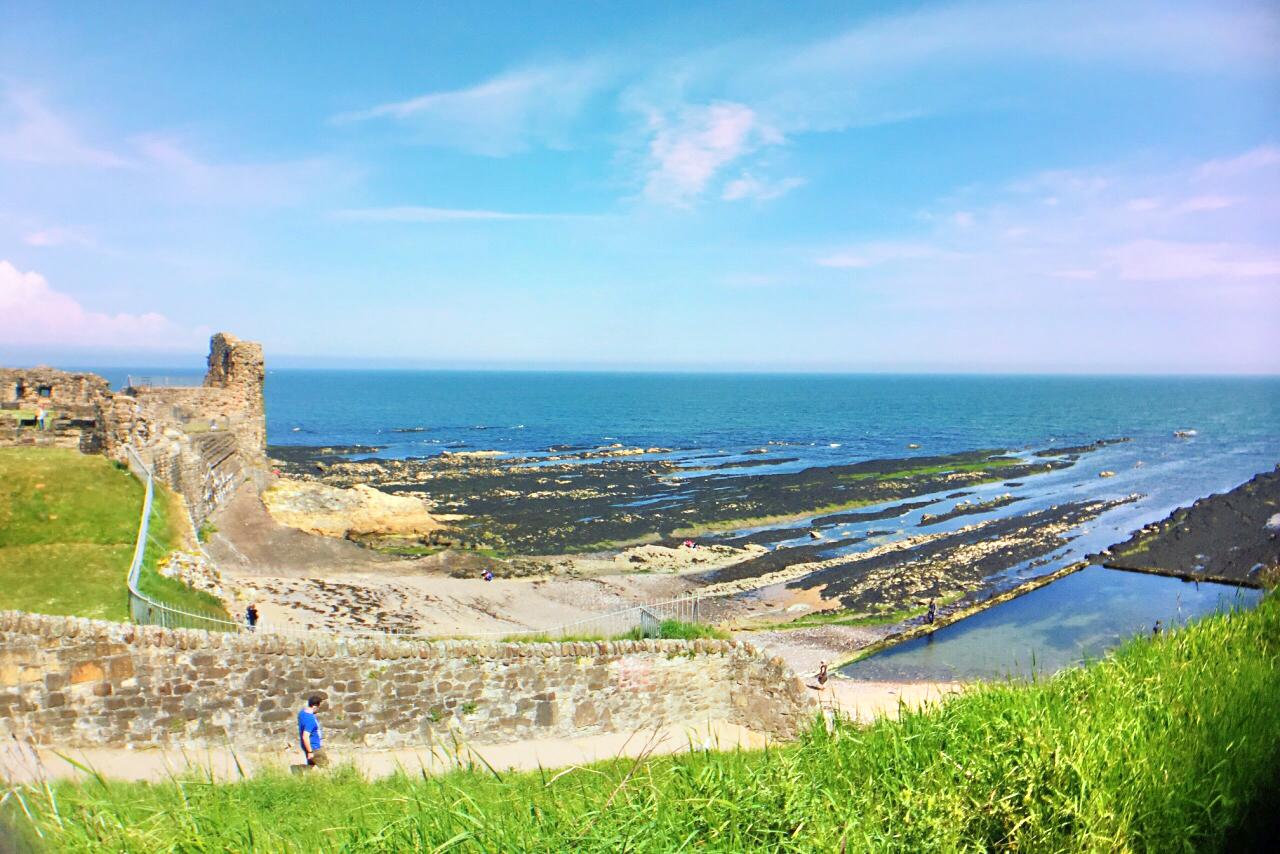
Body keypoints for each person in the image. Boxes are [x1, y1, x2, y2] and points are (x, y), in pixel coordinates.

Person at [298, 695, 328, 768]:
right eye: (318, 707)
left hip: (307, 745)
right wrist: (310, 752)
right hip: (314, 747)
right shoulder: (310, 720)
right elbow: (305, 737)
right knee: (325, 767)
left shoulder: (302, 713)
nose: (318, 709)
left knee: (311, 765)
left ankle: (299, 771)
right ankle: (298, 769)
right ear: (314, 707)